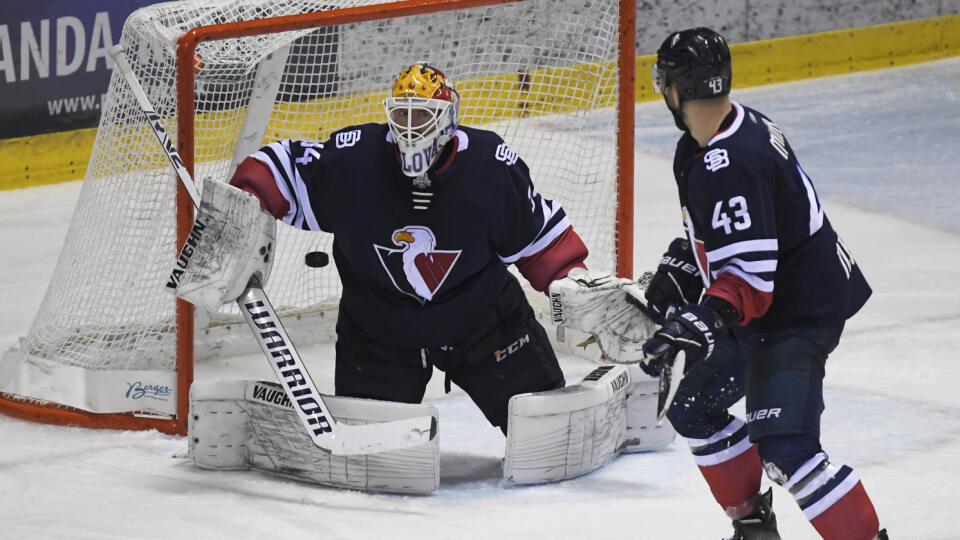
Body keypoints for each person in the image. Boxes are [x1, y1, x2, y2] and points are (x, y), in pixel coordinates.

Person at [224, 63, 594, 435]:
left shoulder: (489, 166)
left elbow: (536, 237)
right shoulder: (355, 161)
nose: (412, 127)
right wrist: (244, 202)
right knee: (371, 452)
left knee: (550, 431)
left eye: (424, 115)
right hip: (379, 330)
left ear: (448, 119)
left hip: (483, 325)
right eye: (402, 114)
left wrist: (576, 286)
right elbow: (279, 166)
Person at [640, 28, 888, 540]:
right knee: (694, 407)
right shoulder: (714, 141)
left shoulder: (733, 160)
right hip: (768, 299)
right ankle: (755, 530)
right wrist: (689, 259)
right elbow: (748, 227)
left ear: (677, 91)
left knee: (788, 448)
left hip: (796, 312)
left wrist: (702, 317)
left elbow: (750, 285)